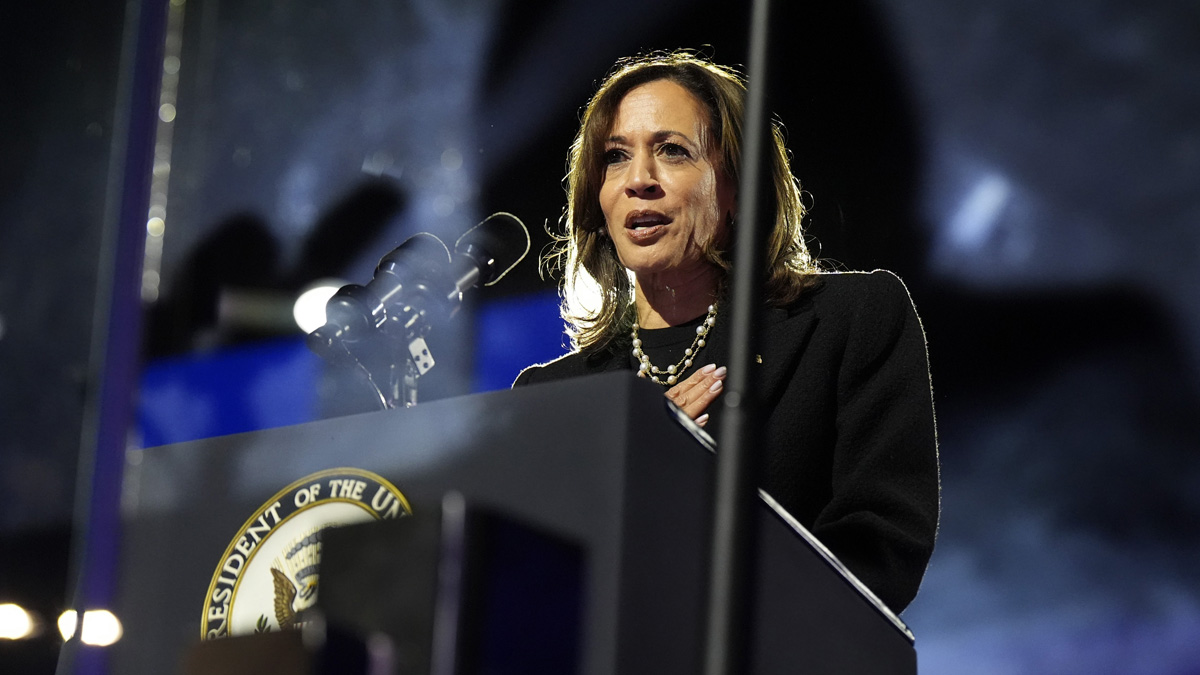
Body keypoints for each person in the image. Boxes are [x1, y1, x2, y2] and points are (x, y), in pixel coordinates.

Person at [513, 51, 939, 614]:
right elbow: (530, 593)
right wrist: (631, 478)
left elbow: (880, 554)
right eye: (615, 157)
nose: (639, 180)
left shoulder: (849, 321)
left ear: (739, 186)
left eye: (672, 150)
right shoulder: (551, 397)